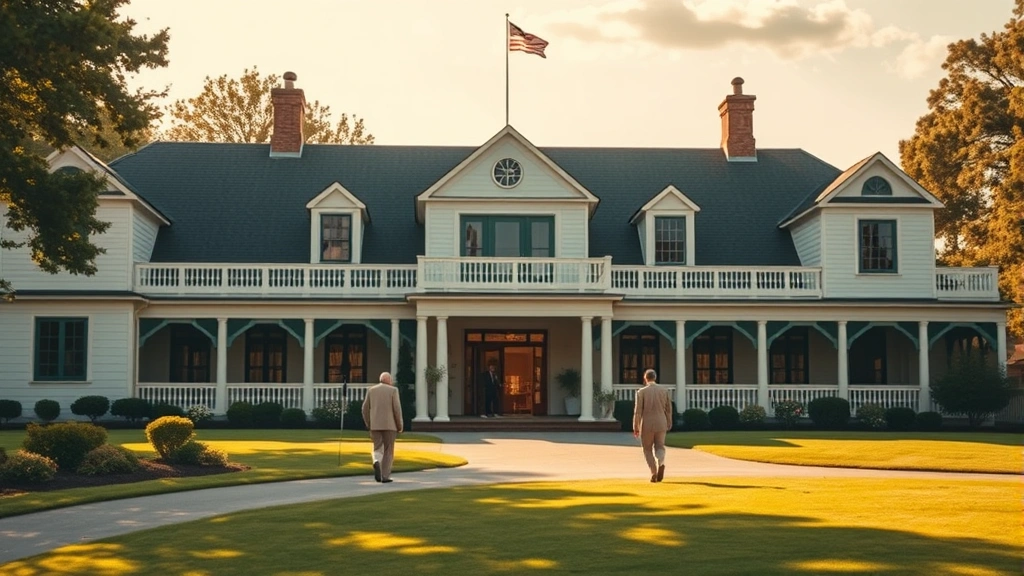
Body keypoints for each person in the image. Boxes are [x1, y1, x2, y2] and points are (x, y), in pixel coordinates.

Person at [361, 371, 403, 483]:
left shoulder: (371, 390)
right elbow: (397, 410)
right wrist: (400, 425)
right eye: (391, 379)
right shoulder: (393, 390)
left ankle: (376, 461)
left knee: (377, 447)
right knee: (388, 450)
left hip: (375, 425)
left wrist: (369, 423)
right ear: (388, 380)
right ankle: (385, 476)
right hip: (390, 425)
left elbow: (364, 409)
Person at [633, 368, 673, 483]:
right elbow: (668, 409)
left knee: (647, 449)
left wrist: (635, 426)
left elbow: (638, 411)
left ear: (645, 378)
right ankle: (661, 461)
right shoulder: (664, 391)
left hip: (647, 424)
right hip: (661, 422)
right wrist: (669, 422)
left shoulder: (641, 392)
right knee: (660, 446)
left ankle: (654, 472)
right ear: (655, 378)